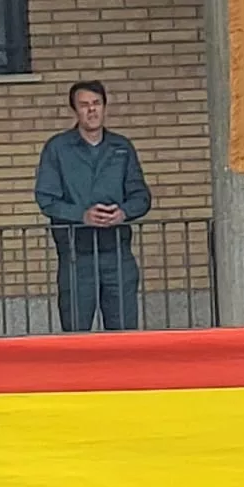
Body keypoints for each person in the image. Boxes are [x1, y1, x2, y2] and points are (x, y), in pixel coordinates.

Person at [34, 80, 152, 332]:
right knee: (76, 334)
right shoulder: (58, 148)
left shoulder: (122, 147)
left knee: (124, 333)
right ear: (75, 111)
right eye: (84, 105)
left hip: (117, 252)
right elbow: (46, 199)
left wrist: (123, 213)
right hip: (77, 255)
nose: (91, 110)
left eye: (96, 104)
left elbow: (141, 196)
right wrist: (81, 215)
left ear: (105, 107)